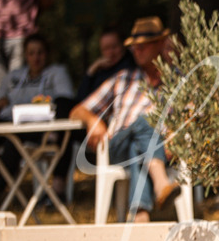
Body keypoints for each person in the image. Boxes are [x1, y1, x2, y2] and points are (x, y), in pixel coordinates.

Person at [70, 17, 180, 223]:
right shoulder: (123, 78)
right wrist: (92, 120)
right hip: (117, 146)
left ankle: (139, 216)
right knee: (146, 122)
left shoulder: (177, 80)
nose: (137, 50)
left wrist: (177, 136)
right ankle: (161, 182)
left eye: (143, 46)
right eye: (134, 47)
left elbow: (194, 114)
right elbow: (77, 110)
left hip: (162, 149)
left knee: (137, 149)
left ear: (159, 44)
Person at [0, 33, 74, 210]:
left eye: (40, 52)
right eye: (31, 53)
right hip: (10, 124)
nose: (36, 57)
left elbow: (65, 101)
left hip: (42, 129)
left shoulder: (57, 73)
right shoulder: (14, 76)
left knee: (13, 142)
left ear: (47, 54)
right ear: (25, 55)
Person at [76, 25, 135, 102]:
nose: (111, 52)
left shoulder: (131, 66)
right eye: (106, 48)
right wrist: (91, 70)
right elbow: (81, 98)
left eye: (114, 47)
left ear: (123, 45)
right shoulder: (101, 70)